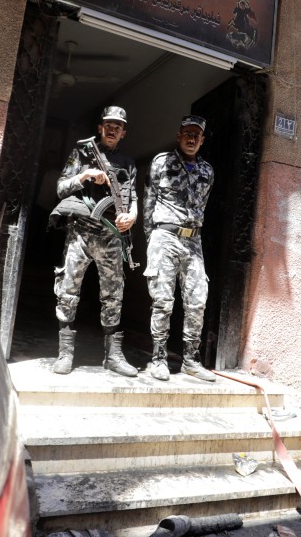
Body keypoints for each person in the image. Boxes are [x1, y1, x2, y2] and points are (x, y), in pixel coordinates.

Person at [48, 106, 138, 377]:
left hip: (111, 237)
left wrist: (132, 216)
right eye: (108, 124)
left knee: (113, 296)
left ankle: (113, 356)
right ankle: (65, 354)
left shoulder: (129, 163)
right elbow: (60, 187)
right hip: (81, 234)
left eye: (118, 126)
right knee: (68, 291)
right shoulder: (82, 153)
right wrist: (85, 175)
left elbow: (132, 198)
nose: (112, 129)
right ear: (100, 127)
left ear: (123, 133)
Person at [142, 115, 216, 382]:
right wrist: (152, 238)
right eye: (187, 133)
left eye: (197, 135)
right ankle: (158, 359)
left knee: (198, 300)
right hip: (165, 236)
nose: (192, 138)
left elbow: (203, 206)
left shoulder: (208, 170)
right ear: (179, 135)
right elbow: (149, 200)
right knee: (162, 301)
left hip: (193, 241)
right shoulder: (161, 162)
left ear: (202, 140)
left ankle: (190, 360)